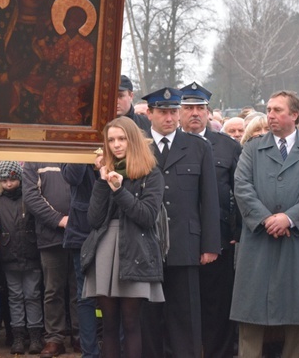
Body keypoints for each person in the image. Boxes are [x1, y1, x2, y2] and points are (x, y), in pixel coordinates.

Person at [230, 90, 299, 358]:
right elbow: (242, 187)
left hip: (297, 240)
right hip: (258, 240)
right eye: (269, 109)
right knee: (251, 314)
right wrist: (264, 219)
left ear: (294, 115)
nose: (270, 115)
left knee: (298, 316)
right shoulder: (252, 148)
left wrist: (290, 218)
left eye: (277, 110)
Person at [139, 87, 220, 358]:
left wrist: (210, 245)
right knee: (148, 319)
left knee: (185, 317)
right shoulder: (138, 147)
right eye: (162, 112)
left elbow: (209, 200)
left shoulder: (198, 146)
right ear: (149, 114)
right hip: (145, 247)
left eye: (173, 111)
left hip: (185, 244)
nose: (169, 118)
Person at [82, 116, 164, 358]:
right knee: (108, 325)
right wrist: (101, 181)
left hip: (136, 249)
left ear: (133, 140)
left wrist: (118, 191)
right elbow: (94, 220)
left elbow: (147, 216)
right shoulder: (106, 172)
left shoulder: (151, 173)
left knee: (130, 323)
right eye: (111, 140)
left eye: (121, 139)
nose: (116, 145)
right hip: (105, 248)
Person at [179, 82, 241, 358]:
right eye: (188, 108)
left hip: (219, 238)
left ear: (208, 112)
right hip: (179, 240)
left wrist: (235, 232)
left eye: (200, 108)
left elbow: (240, 194)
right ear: (179, 112)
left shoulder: (227, 147)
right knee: (181, 307)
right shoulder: (169, 146)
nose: (195, 113)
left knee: (218, 307)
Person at [23, 161, 79, 357]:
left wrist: (79, 220)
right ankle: (54, 338)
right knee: (52, 290)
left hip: (81, 235)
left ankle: (81, 335)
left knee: (80, 289)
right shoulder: (35, 159)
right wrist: (59, 220)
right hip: (51, 236)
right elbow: (31, 197)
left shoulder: (78, 152)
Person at [0, 161, 44, 355]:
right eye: (4, 180)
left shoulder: (29, 197)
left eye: (12, 179)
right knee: (15, 297)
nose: (9, 184)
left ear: (19, 178)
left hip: (30, 253)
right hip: (9, 254)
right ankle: (18, 336)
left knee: (32, 295)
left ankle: (35, 336)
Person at [61, 161, 100, 358]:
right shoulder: (74, 142)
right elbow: (72, 177)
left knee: (118, 294)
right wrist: (86, 151)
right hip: (82, 230)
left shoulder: (118, 138)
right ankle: (90, 353)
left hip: (115, 226)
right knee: (85, 295)